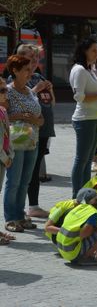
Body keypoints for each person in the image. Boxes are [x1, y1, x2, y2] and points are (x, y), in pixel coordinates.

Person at [3, 55, 44, 233]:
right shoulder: (7, 91)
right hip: (16, 142)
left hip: (32, 141)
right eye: (26, 70)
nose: (30, 72)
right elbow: (2, 115)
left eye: (30, 69)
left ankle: (20, 215)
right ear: (15, 71)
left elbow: (41, 118)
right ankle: (10, 218)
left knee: (25, 181)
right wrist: (20, 116)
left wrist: (37, 120)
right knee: (14, 181)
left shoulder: (30, 91)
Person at [16, 44, 55, 218]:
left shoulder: (38, 76)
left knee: (35, 168)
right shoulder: (17, 77)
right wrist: (36, 89)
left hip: (44, 129)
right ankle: (19, 209)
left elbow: (51, 103)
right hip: (26, 131)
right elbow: (18, 100)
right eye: (30, 58)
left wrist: (51, 91)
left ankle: (34, 205)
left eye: (36, 58)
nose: (34, 62)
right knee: (24, 172)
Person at [69, 38, 97, 198]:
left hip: (94, 118)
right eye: (93, 50)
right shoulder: (79, 70)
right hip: (84, 119)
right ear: (84, 51)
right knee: (81, 159)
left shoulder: (90, 69)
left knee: (87, 161)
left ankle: (84, 193)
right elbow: (78, 96)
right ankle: (77, 195)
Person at [56, 191, 97, 266]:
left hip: (61, 248)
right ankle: (86, 257)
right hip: (71, 252)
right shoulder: (94, 214)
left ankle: (85, 253)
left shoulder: (82, 207)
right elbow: (85, 232)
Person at [0, 77, 15, 244]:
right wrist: (4, 158)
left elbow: (7, 136)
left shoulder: (3, 111)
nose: (6, 94)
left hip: (3, 158)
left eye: (6, 90)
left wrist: (10, 155)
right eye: (2, 91)